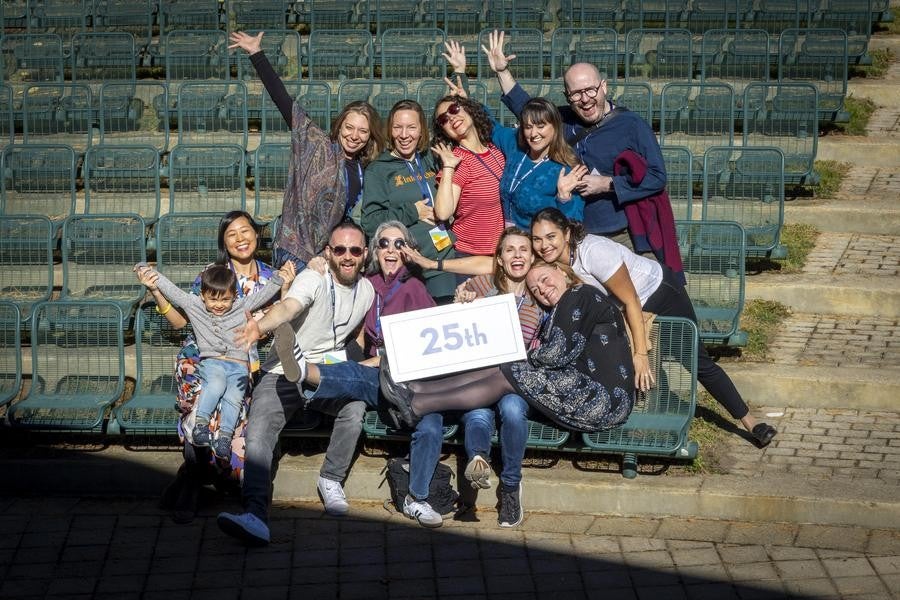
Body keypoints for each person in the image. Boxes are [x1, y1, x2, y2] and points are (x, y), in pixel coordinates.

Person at [530, 207, 777, 447]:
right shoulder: (549, 263)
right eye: (537, 239)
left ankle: (750, 422)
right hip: (625, 308)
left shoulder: (595, 251)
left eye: (551, 236)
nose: (544, 245)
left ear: (567, 233)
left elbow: (631, 300)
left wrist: (640, 354)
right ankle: (656, 412)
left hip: (659, 294)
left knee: (694, 361)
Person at [215, 221, 377, 547]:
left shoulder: (368, 292)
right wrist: (260, 327)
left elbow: (350, 334)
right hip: (281, 374)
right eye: (340, 249)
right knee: (258, 431)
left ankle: (331, 480)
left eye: (355, 250)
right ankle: (255, 515)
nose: (347, 256)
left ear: (365, 254)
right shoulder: (313, 278)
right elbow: (289, 307)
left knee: (355, 407)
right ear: (328, 252)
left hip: (325, 375)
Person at [483, 30, 682, 279]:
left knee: (634, 302)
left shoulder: (631, 124)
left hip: (622, 234)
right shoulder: (563, 120)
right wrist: (502, 72)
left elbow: (657, 176)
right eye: (576, 94)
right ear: (567, 96)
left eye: (591, 90)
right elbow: (529, 111)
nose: (585, 99)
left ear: (604, 87)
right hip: (578, 235)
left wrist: (607, 184)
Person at [380, 259, 637, 440]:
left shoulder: (579, 294)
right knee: (505, 368)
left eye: (545, 280)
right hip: (583, 388)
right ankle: (416, 389)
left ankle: (418, 406)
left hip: (602, 400)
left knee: (508, 375)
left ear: (562, 272)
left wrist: (519, 354)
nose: (543, 290)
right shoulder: (565, 305)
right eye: (536, 290)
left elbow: (555, 354)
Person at [147, 210, 293, 524]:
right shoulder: (212, 274)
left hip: (242, 366)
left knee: (238, 460)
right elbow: (179, 321)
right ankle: (193, 484)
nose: (241, 239)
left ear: (257, 234)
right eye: (232, 234)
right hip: (201, 360)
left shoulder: (271, 277)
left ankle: (191, 475)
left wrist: (286, 288)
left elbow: (281, 319)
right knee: (204, 423)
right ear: (223, 243)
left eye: (246, 231)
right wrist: (157, 292)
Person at [229, 31, 385, 271]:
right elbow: (284, 102)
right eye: (349, 127)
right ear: (339, 125)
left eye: (363, 131)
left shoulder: (364, 166)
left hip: (329, 255)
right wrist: (256, 54)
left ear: (370, 135)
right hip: (296, 250)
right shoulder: (316, 144)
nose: (354, 136)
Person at [134, 262, 289, 459]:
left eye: (225, 299)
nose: (219, 305)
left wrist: (279, 278)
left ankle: (225, 436)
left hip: (239, 366)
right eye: (213, 299)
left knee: (234, 397)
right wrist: (147, 270)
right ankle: (201, 425)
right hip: (213, 362)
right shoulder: (194, 305)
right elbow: (172, 291)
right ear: (202, 296)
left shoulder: (241, 306)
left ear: (234, 296)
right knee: (215, 384)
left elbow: (264, 294)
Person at [359, 99, 457, 303]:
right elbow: (370, 223)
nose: (404, 135)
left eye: (411, 127)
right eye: (398, 127)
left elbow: (464, 127)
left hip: (442, 261)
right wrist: (412, 211)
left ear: (421, 130)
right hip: (404, 267)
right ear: (390, 130)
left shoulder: (433, 157)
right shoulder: (378, 170)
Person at [431, 92, 505, 259]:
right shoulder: (458, 160)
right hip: (471, 256)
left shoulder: (497, 150)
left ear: (468, 109)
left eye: (454, 109)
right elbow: (443, 213)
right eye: (443, 119)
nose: (450, 117)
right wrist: (449, 167)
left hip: (504, 254)